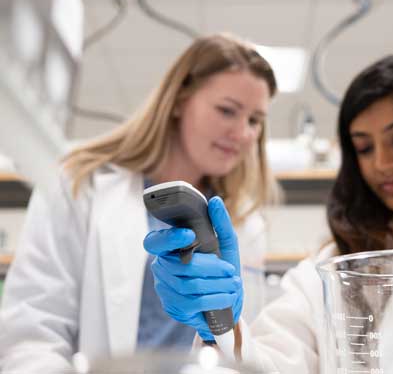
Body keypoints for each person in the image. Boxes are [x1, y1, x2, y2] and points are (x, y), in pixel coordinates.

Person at [143, 50, 393, 373]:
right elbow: (269, 364)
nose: (381, 163)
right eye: (364, 148)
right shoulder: (340, 268)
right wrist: (221, 324)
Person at [0, 33, 278, 372]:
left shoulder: (244, 221)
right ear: (178, 100)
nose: (243, 133)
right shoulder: (80, 182)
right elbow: (33, 330)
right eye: (227, 111)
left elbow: (244, 352)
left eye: (255, 121)